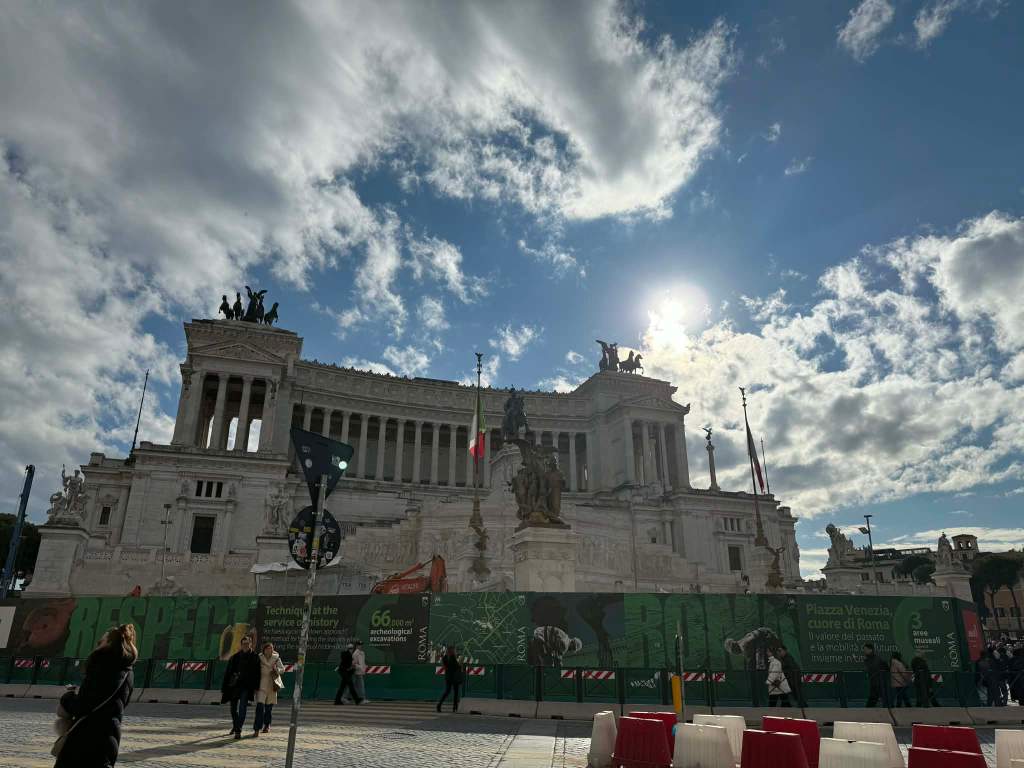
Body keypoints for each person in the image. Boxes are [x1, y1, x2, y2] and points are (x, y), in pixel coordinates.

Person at [54, 624, 137, 768]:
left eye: (100, 642)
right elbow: (121, 703)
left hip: (85, 738)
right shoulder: (128, 672)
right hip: (110, 738)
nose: (97, 646)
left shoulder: (100, 665)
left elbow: (83, 706)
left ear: (109, 644)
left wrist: (68, 697)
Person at [221, 635, 260, 739]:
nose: (245, 646)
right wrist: (224, 687)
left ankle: (238, 730)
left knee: (242, 708)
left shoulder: (255, 657)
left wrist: (256, 687)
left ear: (251, 644)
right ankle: (236, 725)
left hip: (246, 687)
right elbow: (228, 673)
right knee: (233, 709)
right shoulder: (235, 657)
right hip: (234, 686)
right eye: (243, 644)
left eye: (247, 644)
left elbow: (257, 674)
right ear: (241, 645)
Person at [252, 642, 285, 736]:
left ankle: (267, 725)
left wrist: (276, 670)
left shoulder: (276, 658)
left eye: (271, 648)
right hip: (261, 686)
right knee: (259, 707)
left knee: (268, 708)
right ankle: (257, 729)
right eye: (267, 648)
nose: (269, 650)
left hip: (272, 686)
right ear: (264, 650)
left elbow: (282, 669)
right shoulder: (259, 658)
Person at [437, 646, 463, 713]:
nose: (455, 651)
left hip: (448, 677)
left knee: (447, 691)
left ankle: (439, 704)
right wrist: (460, 662)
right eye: (454, 650)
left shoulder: (444, 658)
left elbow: (445, 667)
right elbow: (457, 667)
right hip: (454, 677)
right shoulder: (453, 658)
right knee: (456, 692)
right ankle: (455, 707)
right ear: (452, 651)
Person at [863, 643, 889, 707]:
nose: (864, 651)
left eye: (866, 649)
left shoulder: (876, 659)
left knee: (875, 696)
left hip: (878, 681)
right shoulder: (868, 659)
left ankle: (868, 709)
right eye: (864, 649)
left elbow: (885, 667)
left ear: (871, 650)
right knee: (875, 696)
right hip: (874, 681)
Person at [352, 640, 369, 705]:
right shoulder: (355, 654)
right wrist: (360, 667)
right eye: (359, 645)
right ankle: (362, 699)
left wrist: (364, 666)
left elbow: (362, 662)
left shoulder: (362, 653)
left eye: (361, 645)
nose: (360, 646)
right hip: (357, 672)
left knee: (356, 686)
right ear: (356, 646)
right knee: (361, 686)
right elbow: (354, 664)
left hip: (360, 672)